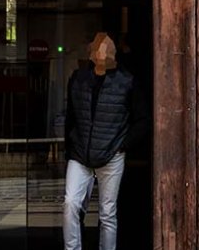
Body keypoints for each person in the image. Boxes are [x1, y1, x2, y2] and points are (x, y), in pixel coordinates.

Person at [63, 32, 147, 250]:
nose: (102, 54)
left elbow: (142, 120)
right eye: (98, 49)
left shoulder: (127, 81)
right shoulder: (78, 79)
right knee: (71, 203)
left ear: (113, 54)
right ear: (92, 53)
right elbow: (71, 117)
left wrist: (121, 146)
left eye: (107, 50)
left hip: (111, 155)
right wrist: (70, 148)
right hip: (81, 154)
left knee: (107, 213)